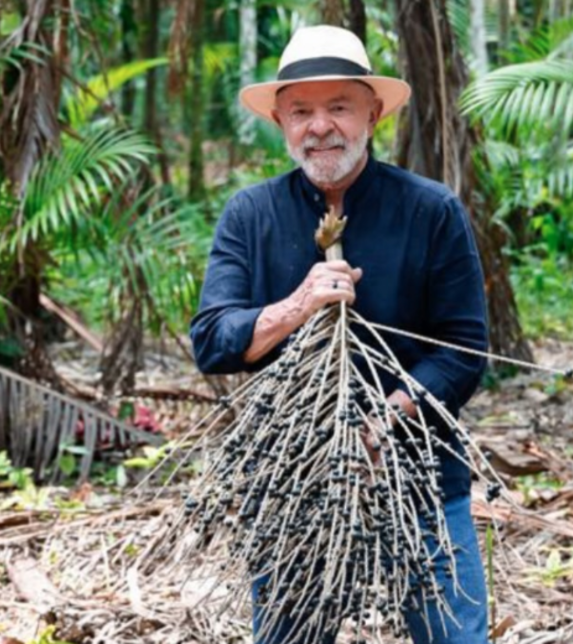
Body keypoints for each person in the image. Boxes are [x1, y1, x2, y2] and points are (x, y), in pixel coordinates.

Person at [189, 25, 491, 644]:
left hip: (420, 476)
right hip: (293, 483)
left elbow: (464, 351)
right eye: (301, 111)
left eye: (338, 108)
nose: (319, 127)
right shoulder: (250, 215)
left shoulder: (430, 211)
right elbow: (214, 342)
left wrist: (387, 421)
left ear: (373, 114)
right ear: (280, 121)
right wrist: (297, 305)